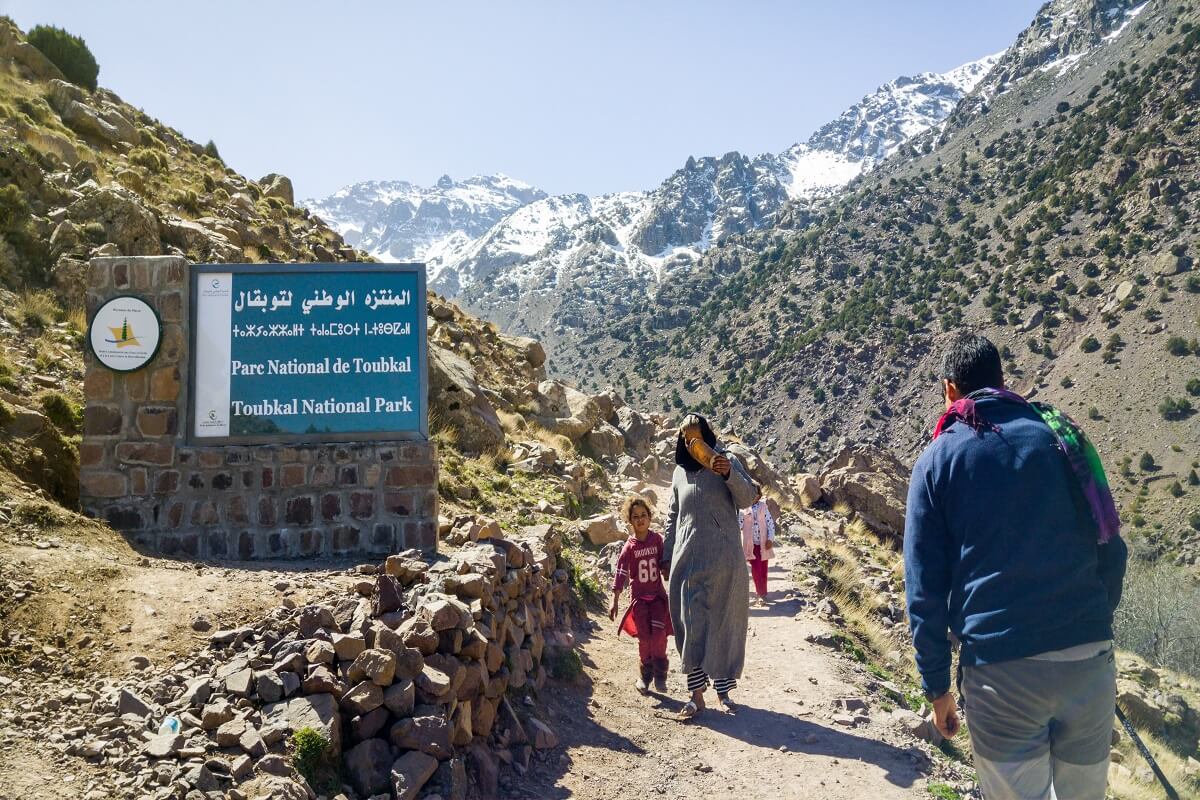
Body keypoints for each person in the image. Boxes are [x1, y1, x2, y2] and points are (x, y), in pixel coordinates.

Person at [904, 333, 1128, 800]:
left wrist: (937, 686)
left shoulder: (936, 462)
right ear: (1004, 382)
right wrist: (1091, 625)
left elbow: (924, 589)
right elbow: (1112, 548)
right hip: (1088, 663)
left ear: (950, 389)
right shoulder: (1063, 439)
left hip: (1000, 674)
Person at [661, 413, 759, 719]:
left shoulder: (726, 461)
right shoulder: (679, 473)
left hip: (725, 561)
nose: (695, 445)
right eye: (689, 439)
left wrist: (729, 472)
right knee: (691, 626)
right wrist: (666, 553)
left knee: (724, 623)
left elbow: (748, 498)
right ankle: (695, 695)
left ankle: (724, 693)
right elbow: (673, 516)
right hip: (688, 561)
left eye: (699, 437)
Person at [609, 495, 672, 694]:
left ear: (650, 517)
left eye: (643, 515)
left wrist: (666, 568)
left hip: (658, 599)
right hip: (639, 602)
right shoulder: (629, 547)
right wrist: (615, 599)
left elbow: (665, 561)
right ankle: (645, 676)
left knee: (660, 636)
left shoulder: (657, 540)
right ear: (629, 520)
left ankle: (661, 676)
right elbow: (620, 572)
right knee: (645, 639)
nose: (640, 519)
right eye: (635, 516)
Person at [740, 489, 776, 607]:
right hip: (751, 544)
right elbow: (738, 525)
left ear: (759, 495)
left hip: (763, 543)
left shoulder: (763, 507)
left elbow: (770, 524)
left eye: (755, 494)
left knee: (763, 568)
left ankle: (763, 592)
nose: (752, 496)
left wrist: (770, 539)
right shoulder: (743, 509)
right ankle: (759, 592)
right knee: (756, 568)